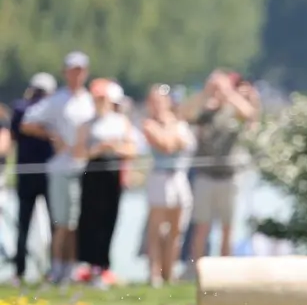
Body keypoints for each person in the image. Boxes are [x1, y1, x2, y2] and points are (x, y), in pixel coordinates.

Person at [21, 51, 95, 285]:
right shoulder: (57, 100)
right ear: (65, 73)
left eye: (80, 70)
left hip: (86, 167)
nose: (76, 75)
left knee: (78, 221)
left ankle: (73, 267)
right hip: (61, 168)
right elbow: (28, 123)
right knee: (63, 222)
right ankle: (58, 268)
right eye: (73, 70)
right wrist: (53, 136)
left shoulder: (90, 100)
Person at [186, 72, 259, 262]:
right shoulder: (204, 111)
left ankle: (225, 269)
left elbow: (250, 114)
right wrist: (205, 93)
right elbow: (185, 114)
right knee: (201, 227)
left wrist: (229, 93)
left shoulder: (233, 110)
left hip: (230, 176)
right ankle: (197, 268)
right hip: (205, 176)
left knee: (228, 227)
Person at [73, 80, 137, 287]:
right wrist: (98, 149)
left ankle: (104, 265)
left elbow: (132, 149)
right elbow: (78, 152)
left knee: (109, 219)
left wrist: (114, 147)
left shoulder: (120, 121)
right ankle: (91, 266)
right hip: (93, 173)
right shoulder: (86, 124)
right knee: (90, 219)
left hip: (112, 173)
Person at [142, 84, 195, 286]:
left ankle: (169, 271)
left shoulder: (178, 122)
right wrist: (172, 132)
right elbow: (167, 145)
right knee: (156, 229)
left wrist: (171, 131)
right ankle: (154, 272)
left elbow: (182, 143)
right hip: (160, 177)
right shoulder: (149, 123)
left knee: (175, 230)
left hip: (179, 177)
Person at [8, 73, 57, 284]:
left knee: (24, 225)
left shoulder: (20, 108)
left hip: (28, 173)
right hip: (45, 173)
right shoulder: (48, 109)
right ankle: (52, 270)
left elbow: (15, 134)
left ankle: (20, 272)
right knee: (53, 225)